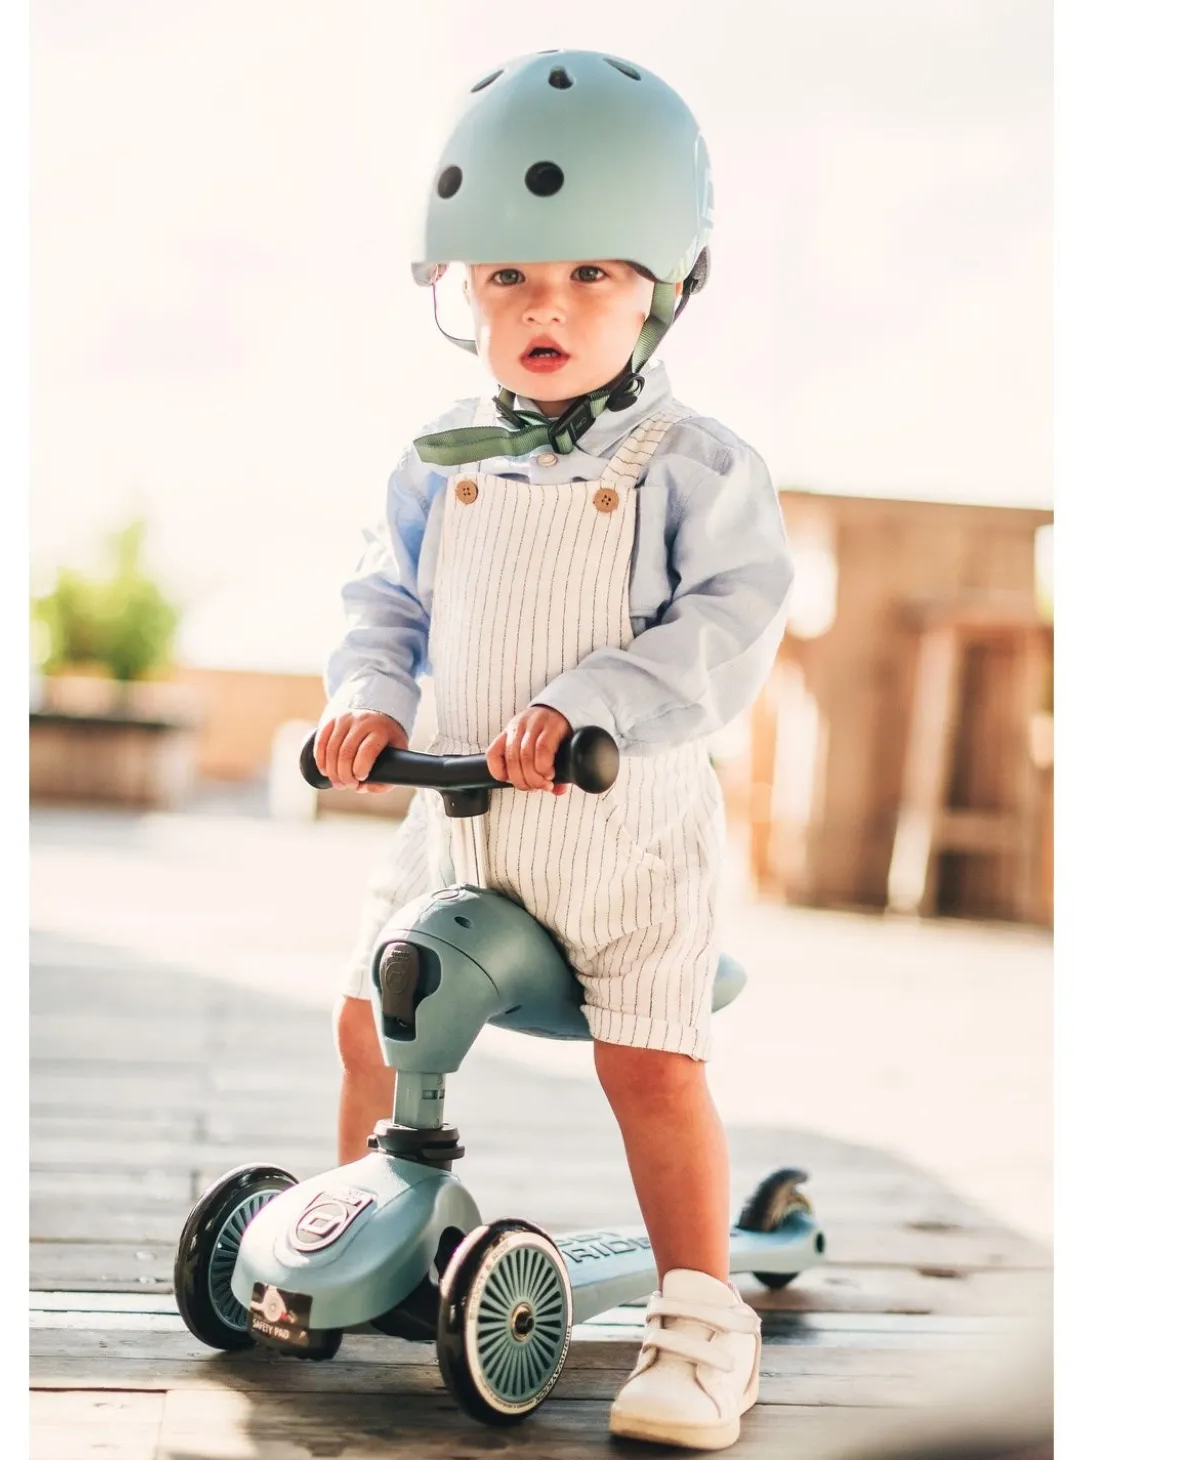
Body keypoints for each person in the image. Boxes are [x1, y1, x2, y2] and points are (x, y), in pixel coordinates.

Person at [314, 49, 794, 1452]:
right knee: (366, 1019)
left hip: (618, 837)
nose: (546, 306)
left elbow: (729, 624)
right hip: (456, 825)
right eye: (508, 276)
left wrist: (591, 701)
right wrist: (368, 698)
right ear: (458, 287)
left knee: (648, 1064)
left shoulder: (694, 465)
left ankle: (704, 1318)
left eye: (592, 274)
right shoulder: (440, 456)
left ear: (664, 288)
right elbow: (384, 603)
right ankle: (366, 1236)